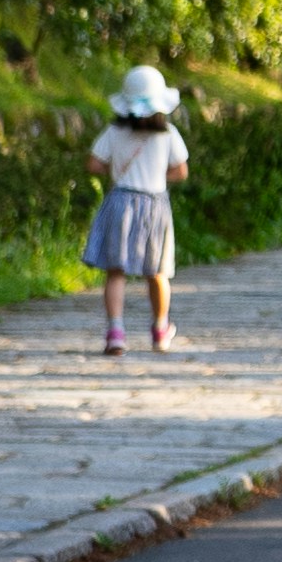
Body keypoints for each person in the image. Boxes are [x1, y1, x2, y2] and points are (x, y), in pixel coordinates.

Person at [83, 64, 190, 355]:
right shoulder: (168, 134)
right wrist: (156, 177)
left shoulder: (114, 132)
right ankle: (159, 329)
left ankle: (116, 332)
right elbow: (180, 171)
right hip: (154, 204)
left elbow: (93, 163)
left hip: (120, 202)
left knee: (116, 271)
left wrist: (115, 170)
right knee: (157, 272)